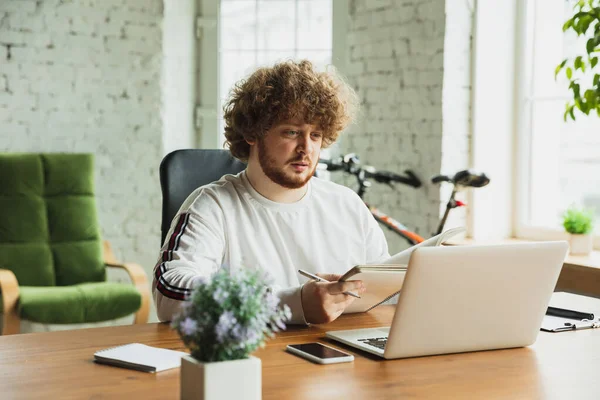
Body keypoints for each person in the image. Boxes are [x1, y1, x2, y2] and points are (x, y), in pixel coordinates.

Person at [153, 60, 390, 324]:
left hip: (341, 354)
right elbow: (170, 292)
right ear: (252, 133)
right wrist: (290, 303)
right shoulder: (212, 205)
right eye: (291, 132)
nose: (306, 149)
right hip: (254, 358)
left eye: (315, 135)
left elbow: (390, 290)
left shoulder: (347, 204)